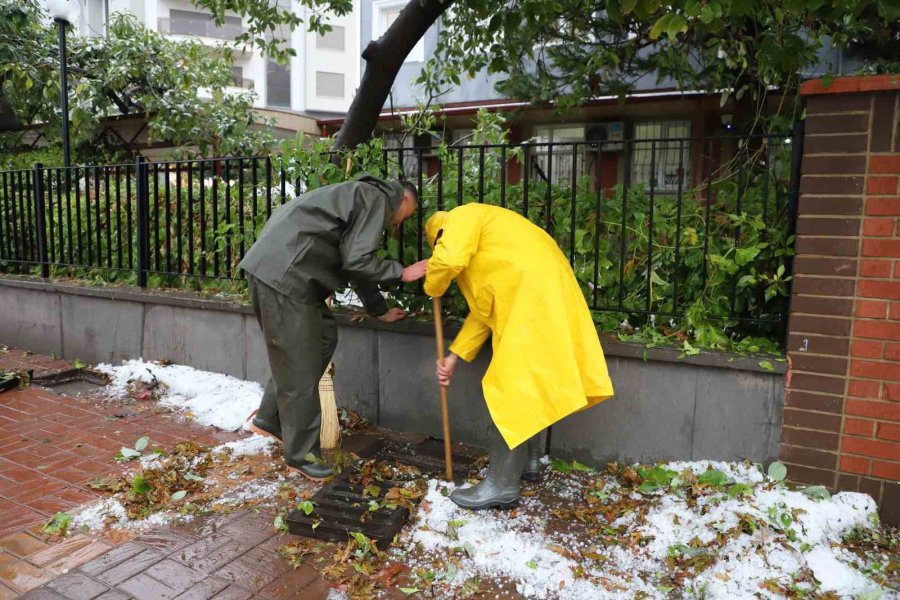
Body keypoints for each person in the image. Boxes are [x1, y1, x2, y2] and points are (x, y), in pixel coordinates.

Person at [424, 204, 615, 510]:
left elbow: (447, 261)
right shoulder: (491, 250)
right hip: (542, 289)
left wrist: (432, 284)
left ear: (438, 236)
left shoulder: (459, 219)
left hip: (532, 293)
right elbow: (482, 312)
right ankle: (531, 460)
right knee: (530, 381)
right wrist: (453, 358)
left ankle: (501, 484)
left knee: (510, 387)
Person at [239, 173, 427, 481]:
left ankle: (270, 418)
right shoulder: (378, 199)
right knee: (299, 362)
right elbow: (357, 261)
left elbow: (354, 261)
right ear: (405, 198)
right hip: (286, 278)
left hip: (286, 276)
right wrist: (401, 272)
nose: (400, 224)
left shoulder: (360, 195)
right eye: (408, 215)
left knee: (323, 338)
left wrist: (378, 310)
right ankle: (302, 455)